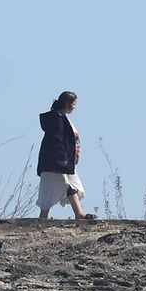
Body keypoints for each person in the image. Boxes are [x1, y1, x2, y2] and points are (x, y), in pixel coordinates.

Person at [36, 91, 94, 221]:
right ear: (67, 103)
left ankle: (46, 215)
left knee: (59, 186)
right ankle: (77, 213)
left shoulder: (61, 118)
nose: (75, 107)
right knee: (64, 185)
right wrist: (62, 157)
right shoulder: (57, 119)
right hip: (56, 162)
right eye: (73, 104)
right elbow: (57, 139)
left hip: (61, 162)